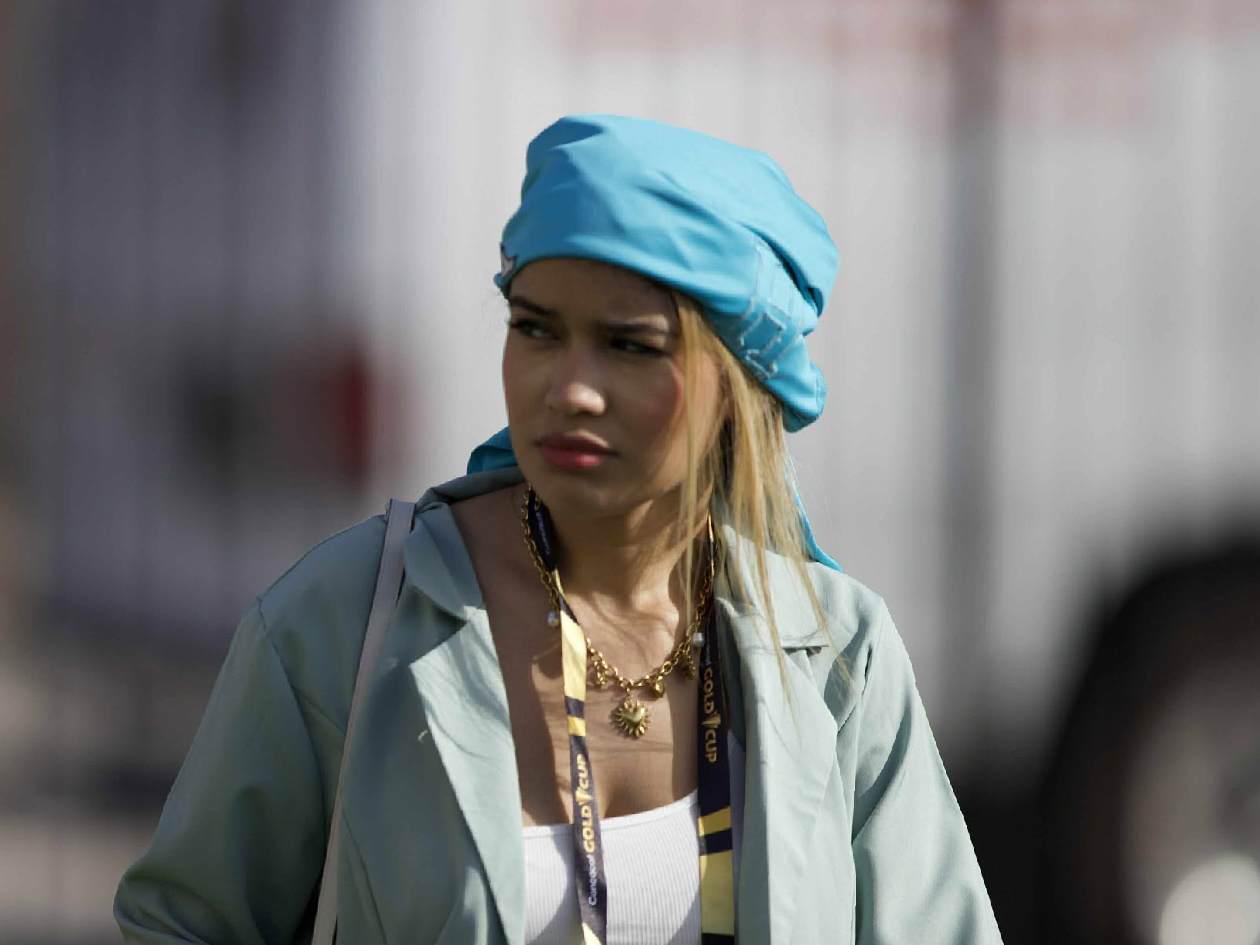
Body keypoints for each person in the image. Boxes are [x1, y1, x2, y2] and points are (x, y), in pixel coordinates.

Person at [115, 114, 1002, 945]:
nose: (570, 388)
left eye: (630, 344)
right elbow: (181, 924)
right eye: (536, 328)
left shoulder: (837, 658)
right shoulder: (345, 624)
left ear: (742, 379)